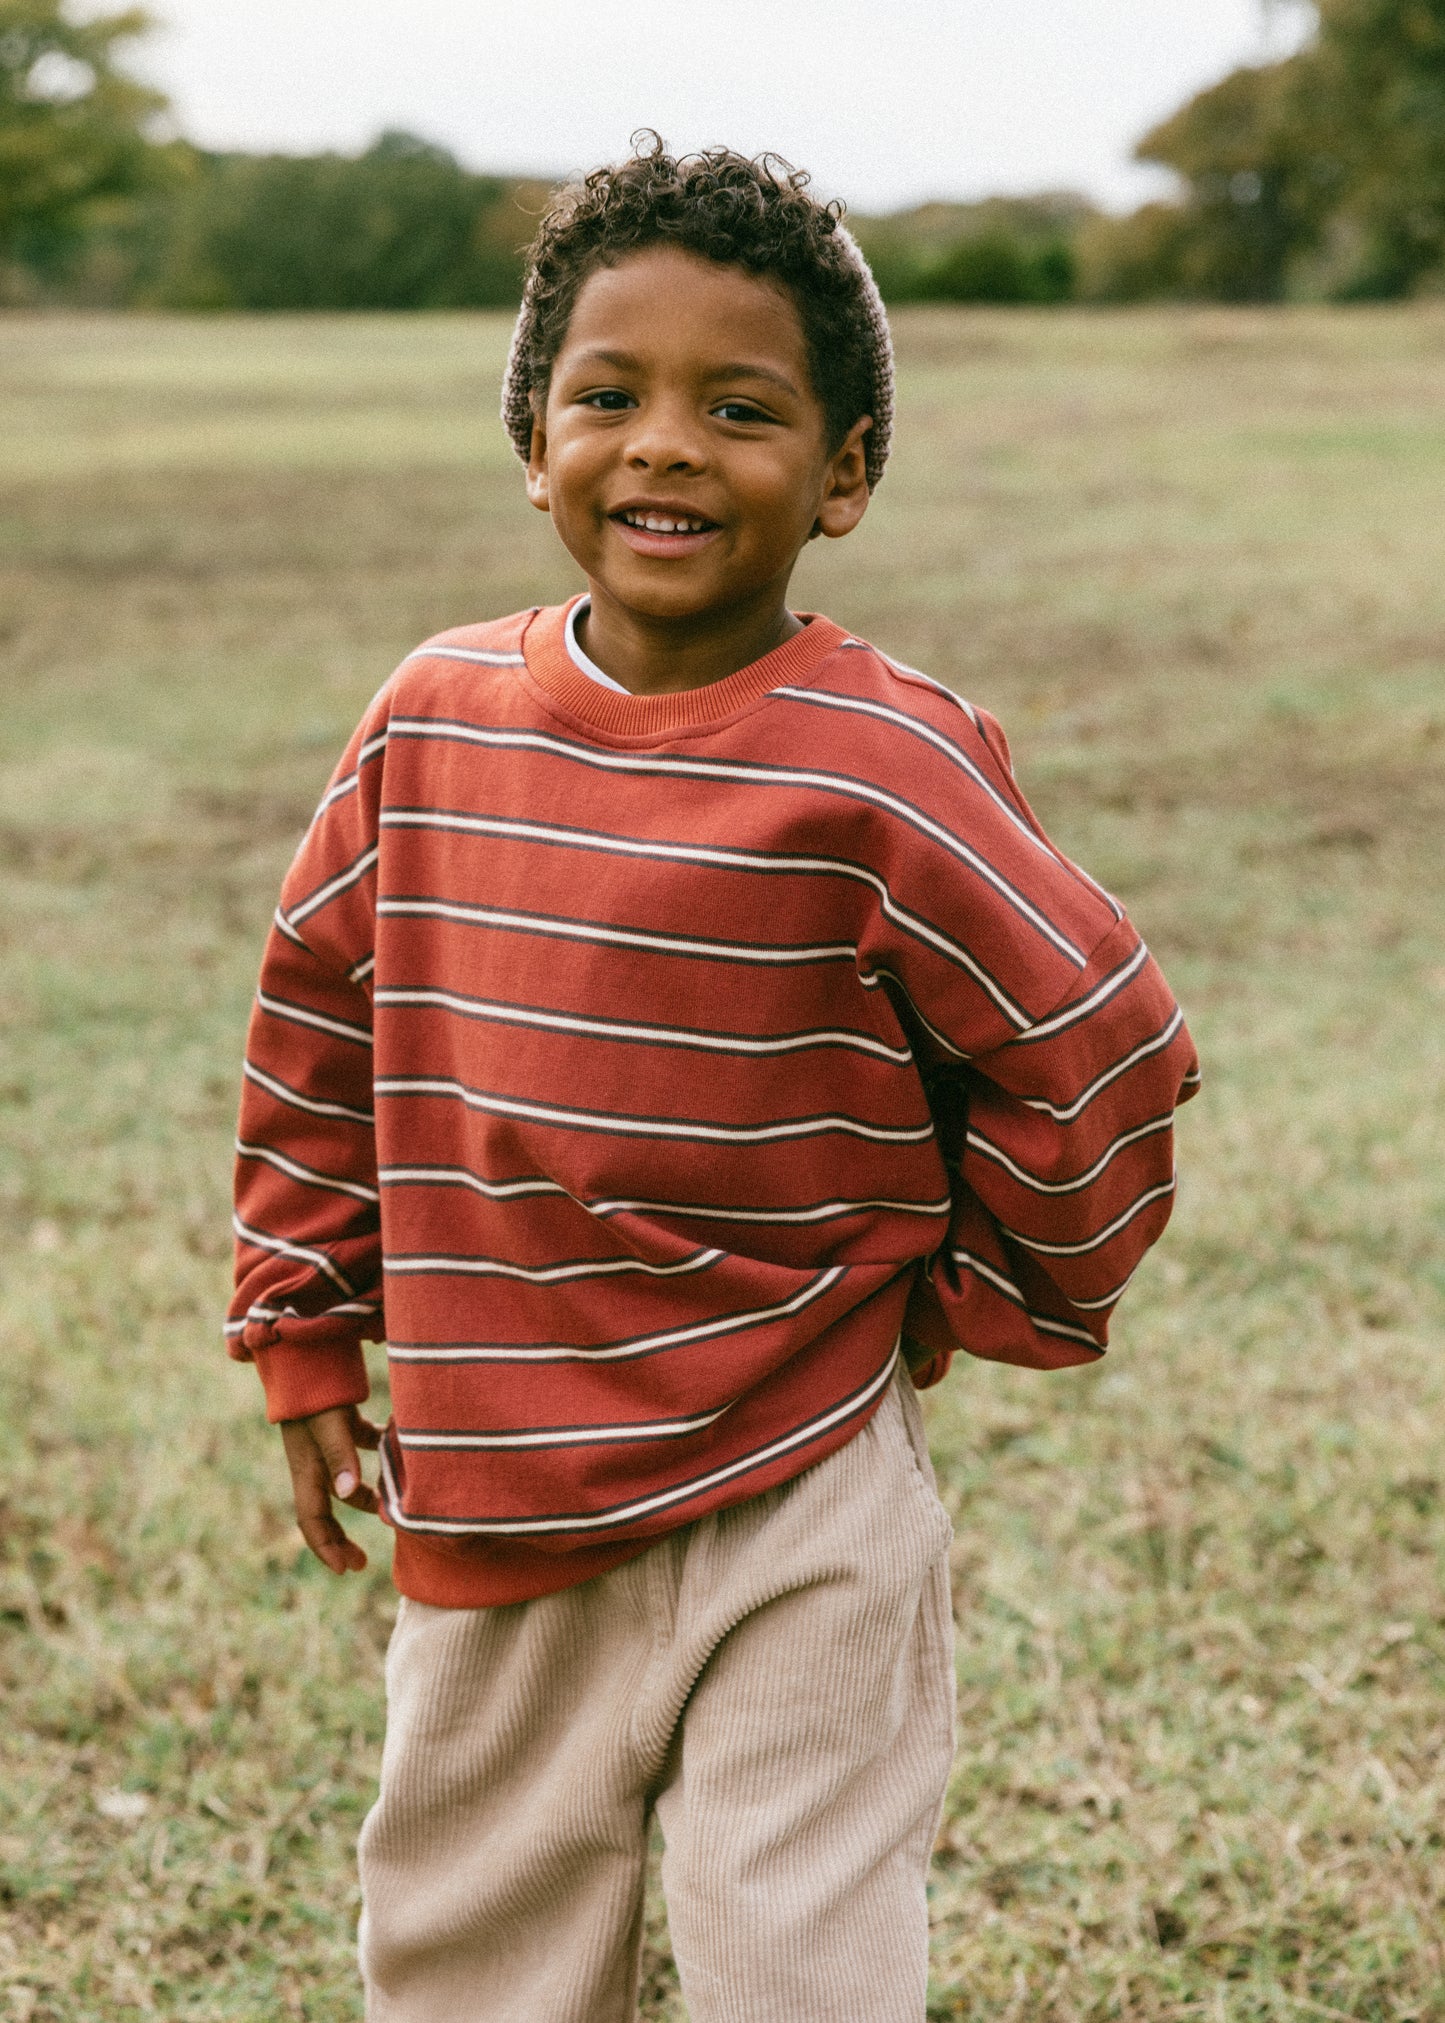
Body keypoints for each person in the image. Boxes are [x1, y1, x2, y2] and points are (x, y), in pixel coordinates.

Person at [226, 137, 1199, 2023]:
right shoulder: (427, 727)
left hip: (805, 1476)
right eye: (609, 397)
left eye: (739, 410)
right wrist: (304, 1324)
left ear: (842, 475)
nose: (664, 447)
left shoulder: (885, 763)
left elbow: (1095, 1043)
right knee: (475, 1952)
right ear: (533, 444)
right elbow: (316, 1028)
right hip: (503, 1483)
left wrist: (991, 1287)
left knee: (801, 1954)